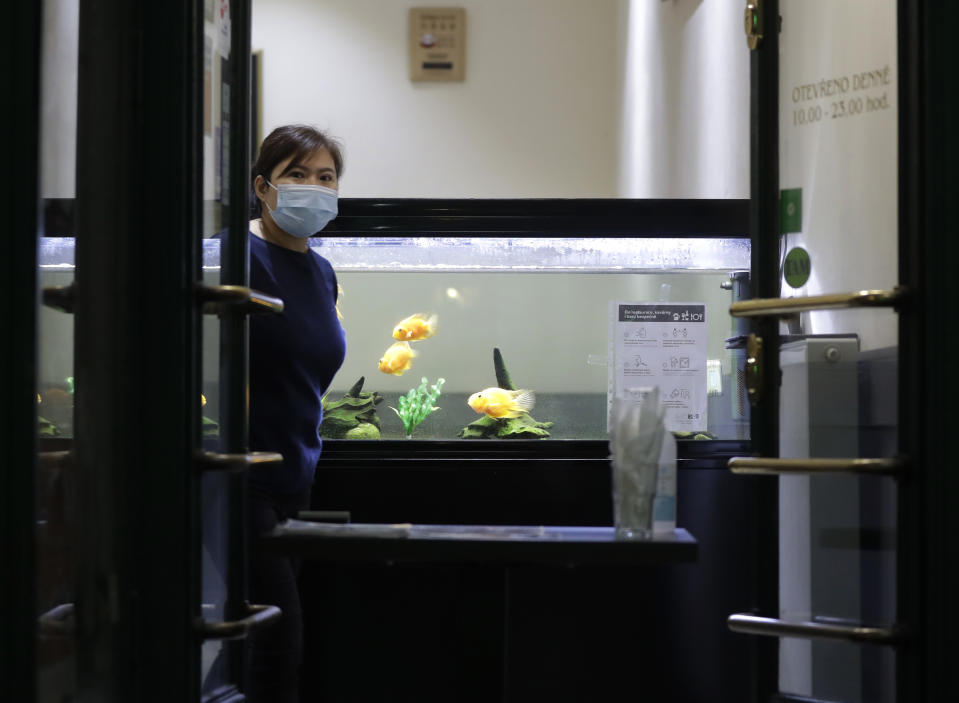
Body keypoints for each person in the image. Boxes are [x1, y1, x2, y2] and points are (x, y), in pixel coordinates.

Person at [244, 124, 347, 702]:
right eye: (297, 176)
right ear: (264, 187)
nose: (314, 187)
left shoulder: (323, 272)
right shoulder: (234, 256)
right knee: (278, 643)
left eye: (325, 177)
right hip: (241, 478)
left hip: (296, 479)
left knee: (271, 640)